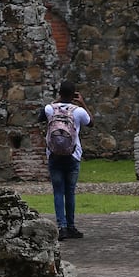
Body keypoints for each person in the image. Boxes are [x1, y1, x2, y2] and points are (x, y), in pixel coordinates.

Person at [42, 80, 92, 241]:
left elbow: (39, 118)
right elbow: (91, 123)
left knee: (58, 191)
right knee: (70, 192)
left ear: (59, 93)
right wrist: (83, 103)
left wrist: (55, 102)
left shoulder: (50, 109)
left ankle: (61, 227)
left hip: (54, 154)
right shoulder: (78, 111)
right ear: (73, 95)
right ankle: (71, 226)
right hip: (73, 154)